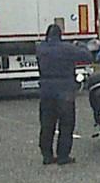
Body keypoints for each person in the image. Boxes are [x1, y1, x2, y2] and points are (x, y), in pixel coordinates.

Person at [35, 23, 91, 165]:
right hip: (65, 90)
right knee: (66, 125)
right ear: (60, 35)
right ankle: (63, 156)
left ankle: (47, 155)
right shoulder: (67, 48)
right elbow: (87, 56)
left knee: (47, 124)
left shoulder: (41, 49)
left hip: (46, 91)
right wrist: (80, 45)